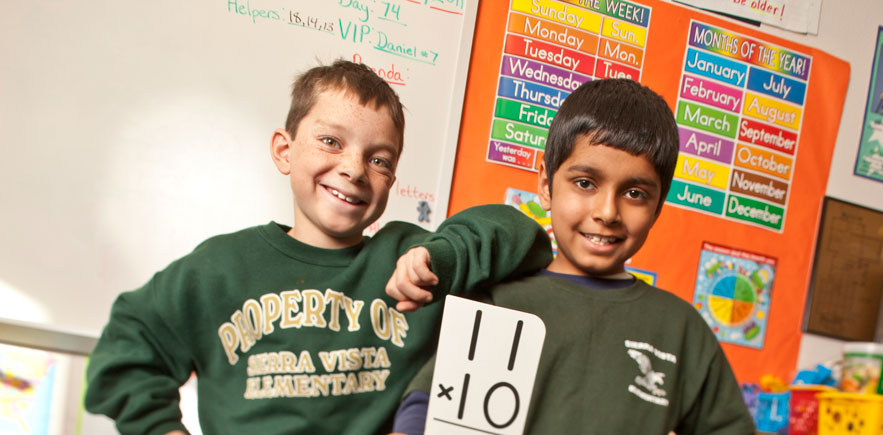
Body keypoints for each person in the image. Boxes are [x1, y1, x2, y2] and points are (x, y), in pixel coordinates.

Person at [84, 60, 552, 435]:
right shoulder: (219, 268)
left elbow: (524, 238)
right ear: (285, 151)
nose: (353, 168)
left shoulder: (409, 259)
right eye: (331, 141)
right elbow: (125, 351)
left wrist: (441, 259)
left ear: (391, 179)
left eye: (379, 159)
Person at [391, 79, 756, 434]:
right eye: (585, 183)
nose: (607, 212)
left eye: (635, 193)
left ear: (658, 206)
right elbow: (430, 406)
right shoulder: (501, 301)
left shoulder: (681, 329)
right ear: (546, 185)